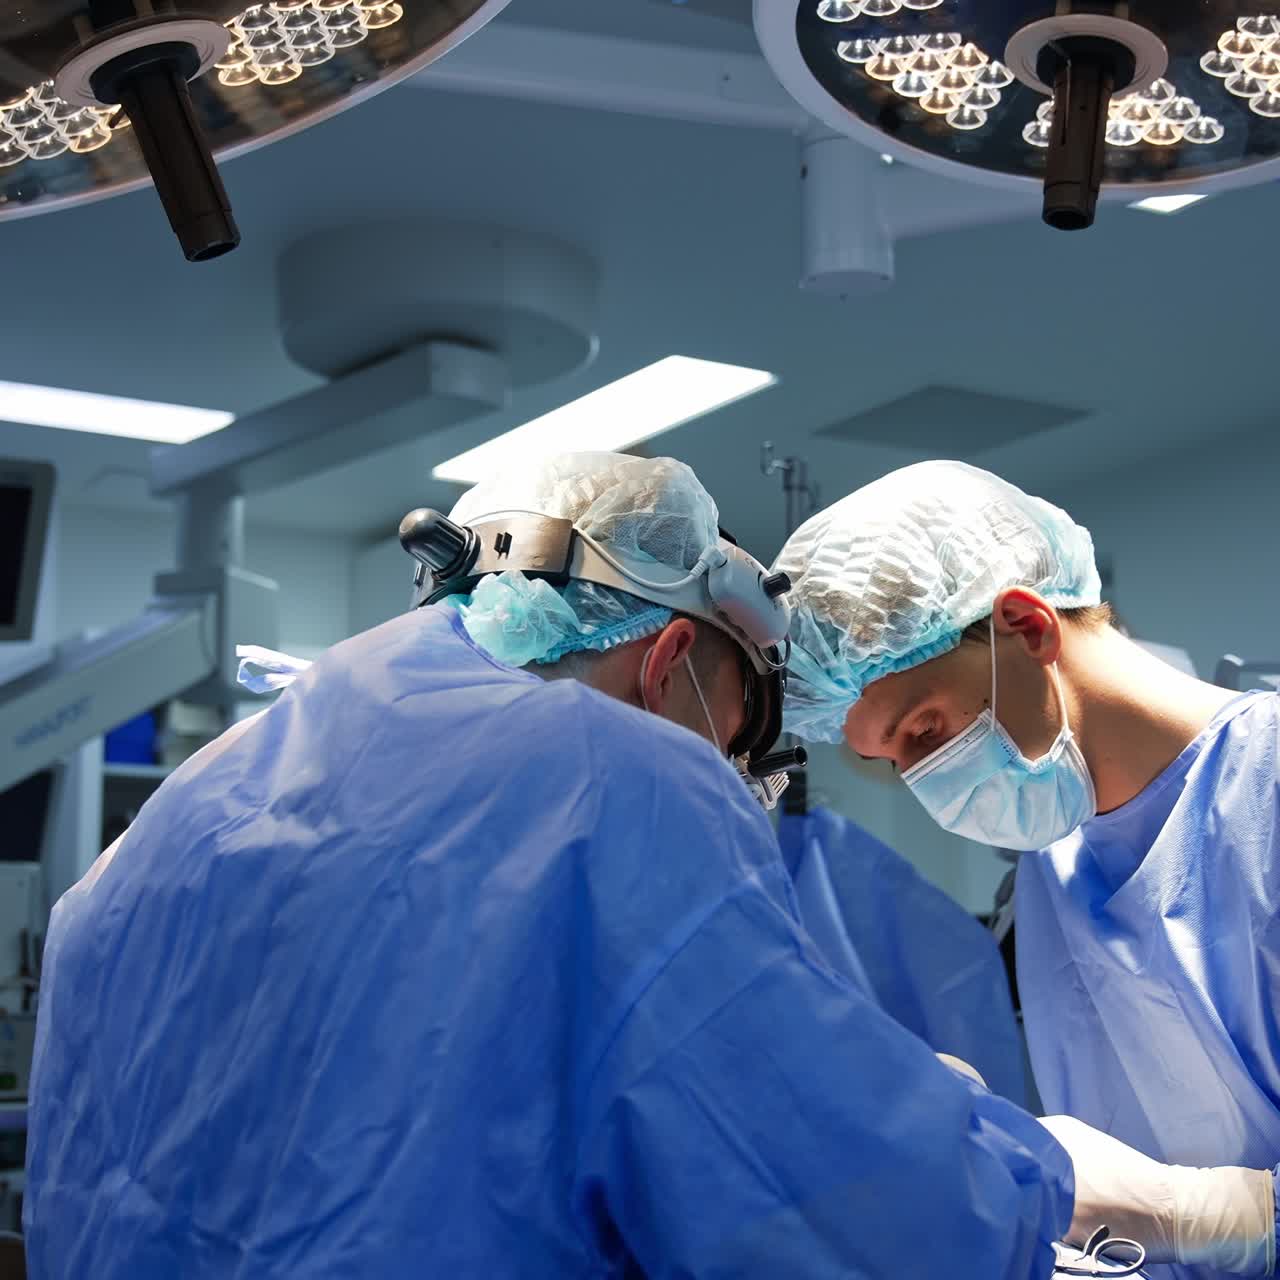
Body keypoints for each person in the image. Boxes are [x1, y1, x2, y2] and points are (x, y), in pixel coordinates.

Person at [24, 451, 1081, 1279]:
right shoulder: (616, 781)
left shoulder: (179, 809)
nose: (728, 781)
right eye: (736, 740)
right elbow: (867, 1234)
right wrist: (998, 1152)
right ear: (669, 667)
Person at [773, 458, 1280, 1280]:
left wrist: (1214, 1216)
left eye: (925, 732)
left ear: (1027, 625)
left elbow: (1186, 1212)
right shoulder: (1053, 863)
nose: (923, 784)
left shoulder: (1268, 789)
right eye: (889, 761)